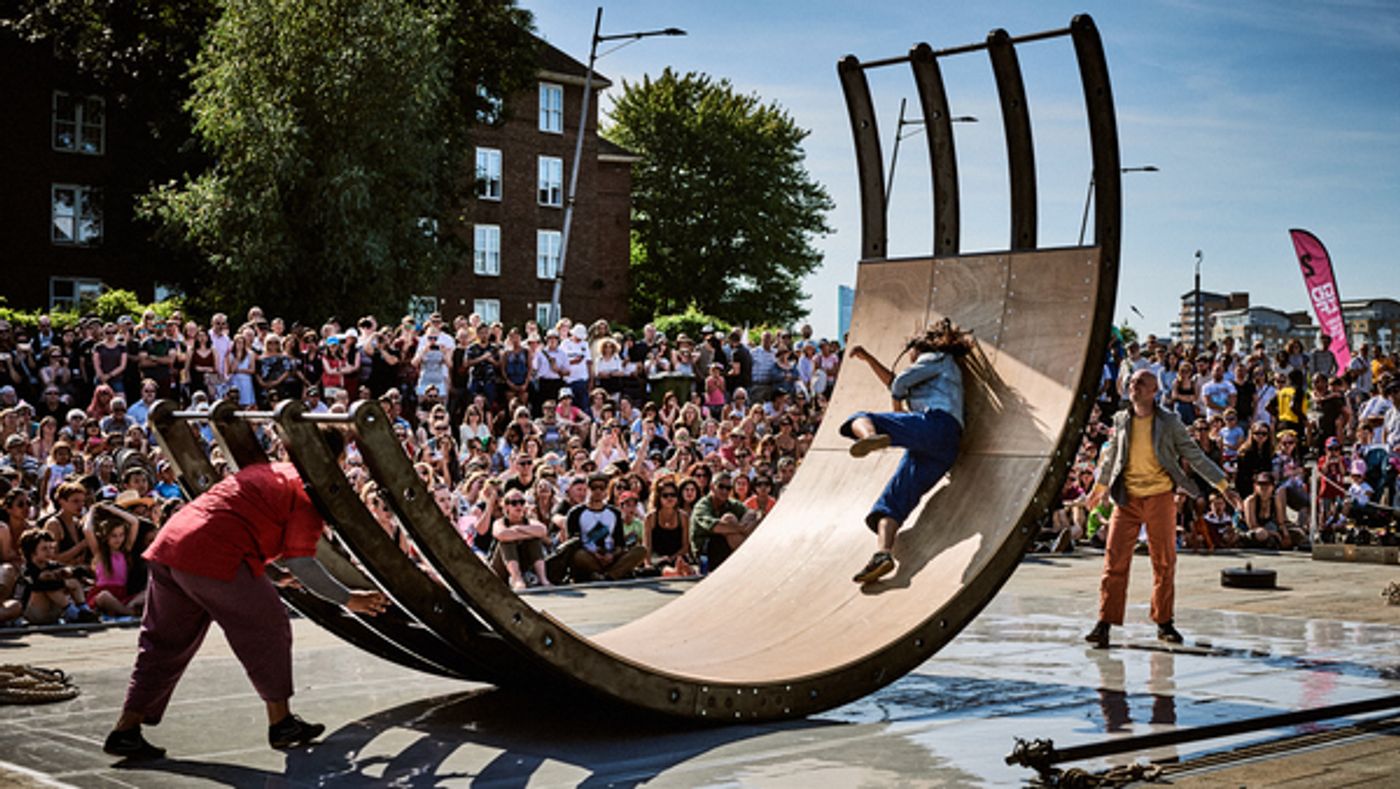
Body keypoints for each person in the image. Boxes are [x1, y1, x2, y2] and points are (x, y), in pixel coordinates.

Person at [103, 457, 389, 761]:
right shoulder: (309, 493)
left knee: (163, 642)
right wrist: (349, 598)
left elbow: (240, 519)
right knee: (269, 628)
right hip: (212, 552)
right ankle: (282, 723)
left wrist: (275, 575)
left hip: (172, 543)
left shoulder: (272, 469)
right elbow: (303, 564)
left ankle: (126, 730)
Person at [1084, 369, 1241, 648]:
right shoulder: (1121, 419)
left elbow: (1194, 455)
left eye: (1141, 383)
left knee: (1164, 562)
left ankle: (1164, 622)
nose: (1134, 386)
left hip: (1159, 497)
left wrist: (1223, 486)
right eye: (1132, 382)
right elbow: (1111, 460)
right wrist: (1098, 490)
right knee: (1114, 561)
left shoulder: (1169, 421)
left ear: (1154, 390)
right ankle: (1104, 623)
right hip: (1127, 498)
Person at [841, 319, 972, 584]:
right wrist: (868, 359)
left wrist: (897, 404)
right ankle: (883, 555)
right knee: (890, 504)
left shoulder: (936, 358)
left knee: (861, 416)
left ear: (917, 348)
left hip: (936, 425)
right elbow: (895, 386)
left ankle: (870, 436)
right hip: (940, 448)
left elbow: (898, 384)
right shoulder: (932, 373)